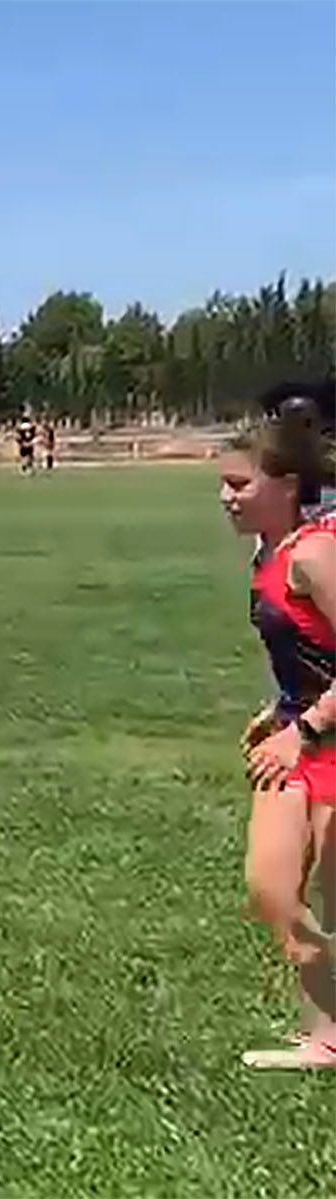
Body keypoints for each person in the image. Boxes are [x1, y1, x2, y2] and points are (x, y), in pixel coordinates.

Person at [223, 400, 336, 1070]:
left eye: (240, 484)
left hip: (324, 738)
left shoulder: (316, 555)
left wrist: (308, 726)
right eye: (223, 484)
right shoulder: (270, 554)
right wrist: (280, 709)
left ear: (287, 485)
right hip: (303, 735)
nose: (225, 497)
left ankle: (328, 1037)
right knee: (271, 886)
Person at [15, 412, 38, 476]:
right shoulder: (32, 427)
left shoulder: (19, 428)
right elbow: (35, 435)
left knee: (23, 457)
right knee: (30, 456)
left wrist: (22, 443)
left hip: (23, 445)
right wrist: (31, 442)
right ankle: (29, 468)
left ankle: (24, 468)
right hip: (30, 444)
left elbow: (17, 437)